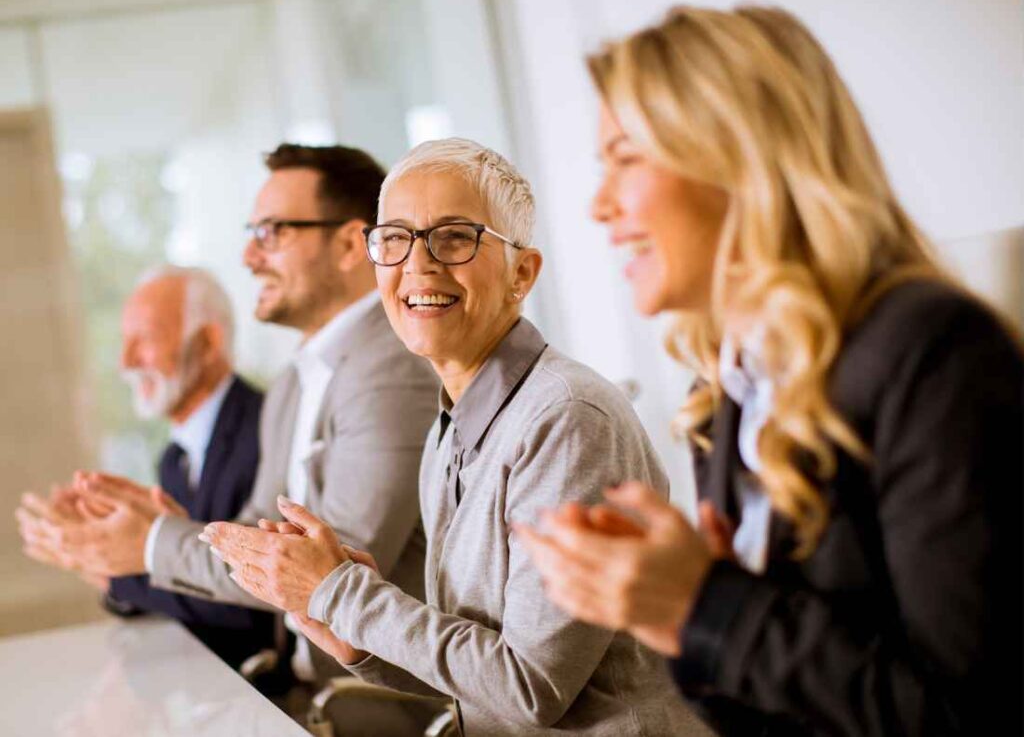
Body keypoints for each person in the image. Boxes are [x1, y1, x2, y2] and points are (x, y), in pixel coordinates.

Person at [515, 4, 1024, 737]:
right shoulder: (719, 391)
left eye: (626, 158)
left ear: (739, 158)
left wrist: (704, 608)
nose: (599, 206)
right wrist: (674, 616)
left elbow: (973, 716)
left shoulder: (935, 356)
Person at [201, 138, 712, 736]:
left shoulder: (566, 418)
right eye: (394, 238)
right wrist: (354, 640)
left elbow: (529, 688)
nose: (418, 265)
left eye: (455, 237)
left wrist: (343, 594)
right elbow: (479, 675)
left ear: (522, 272)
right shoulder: (451, 426)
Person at [16, 144, 439, 689]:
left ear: (347, 245)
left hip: (384, 701)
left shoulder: (392, 369)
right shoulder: (293, 384)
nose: (249, 257)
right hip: (315, 690)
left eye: (273, 232)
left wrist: (151, 541)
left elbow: (329, 571)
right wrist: (158, 532)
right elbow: (255, 532)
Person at [18, 265, 274, 669]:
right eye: (124, 341)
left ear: (208, 342)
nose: (125, 361)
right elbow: (186, 595)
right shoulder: (173, 459)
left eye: (146, 339)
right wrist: (103, 551)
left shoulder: (266, 427)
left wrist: (119, 565)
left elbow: (251, 605)